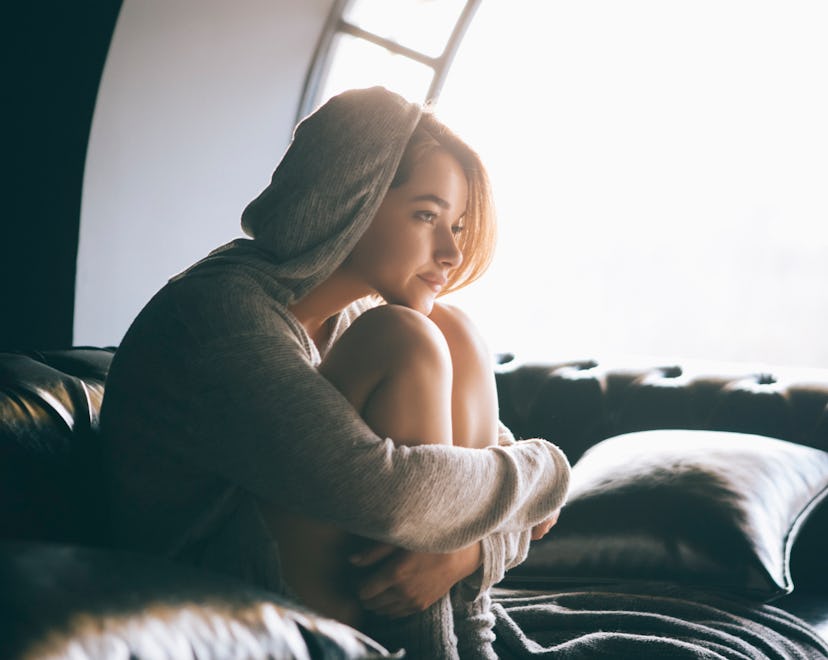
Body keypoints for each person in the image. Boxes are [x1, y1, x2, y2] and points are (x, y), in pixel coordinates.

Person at [101, 86, 570, 658]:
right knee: (410, 338)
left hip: (297, 574)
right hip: (208, 605)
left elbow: (481, 482)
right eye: (428, 215)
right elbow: (395, 498)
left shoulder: (352, 314)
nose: (451, 252)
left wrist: (462, 554)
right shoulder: (220, 315)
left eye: (460, 226)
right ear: (354, 200)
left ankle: (469, 644)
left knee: (454, 329)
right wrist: (546, 473)